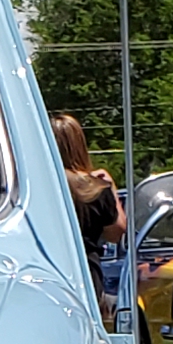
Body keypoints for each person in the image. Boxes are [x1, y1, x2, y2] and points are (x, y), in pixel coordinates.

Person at [56, 114, 124, 316]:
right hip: (86, 273)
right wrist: (110, 187)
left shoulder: (34, 187)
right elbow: (117, 232)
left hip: (46, 268)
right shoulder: (96, 188)